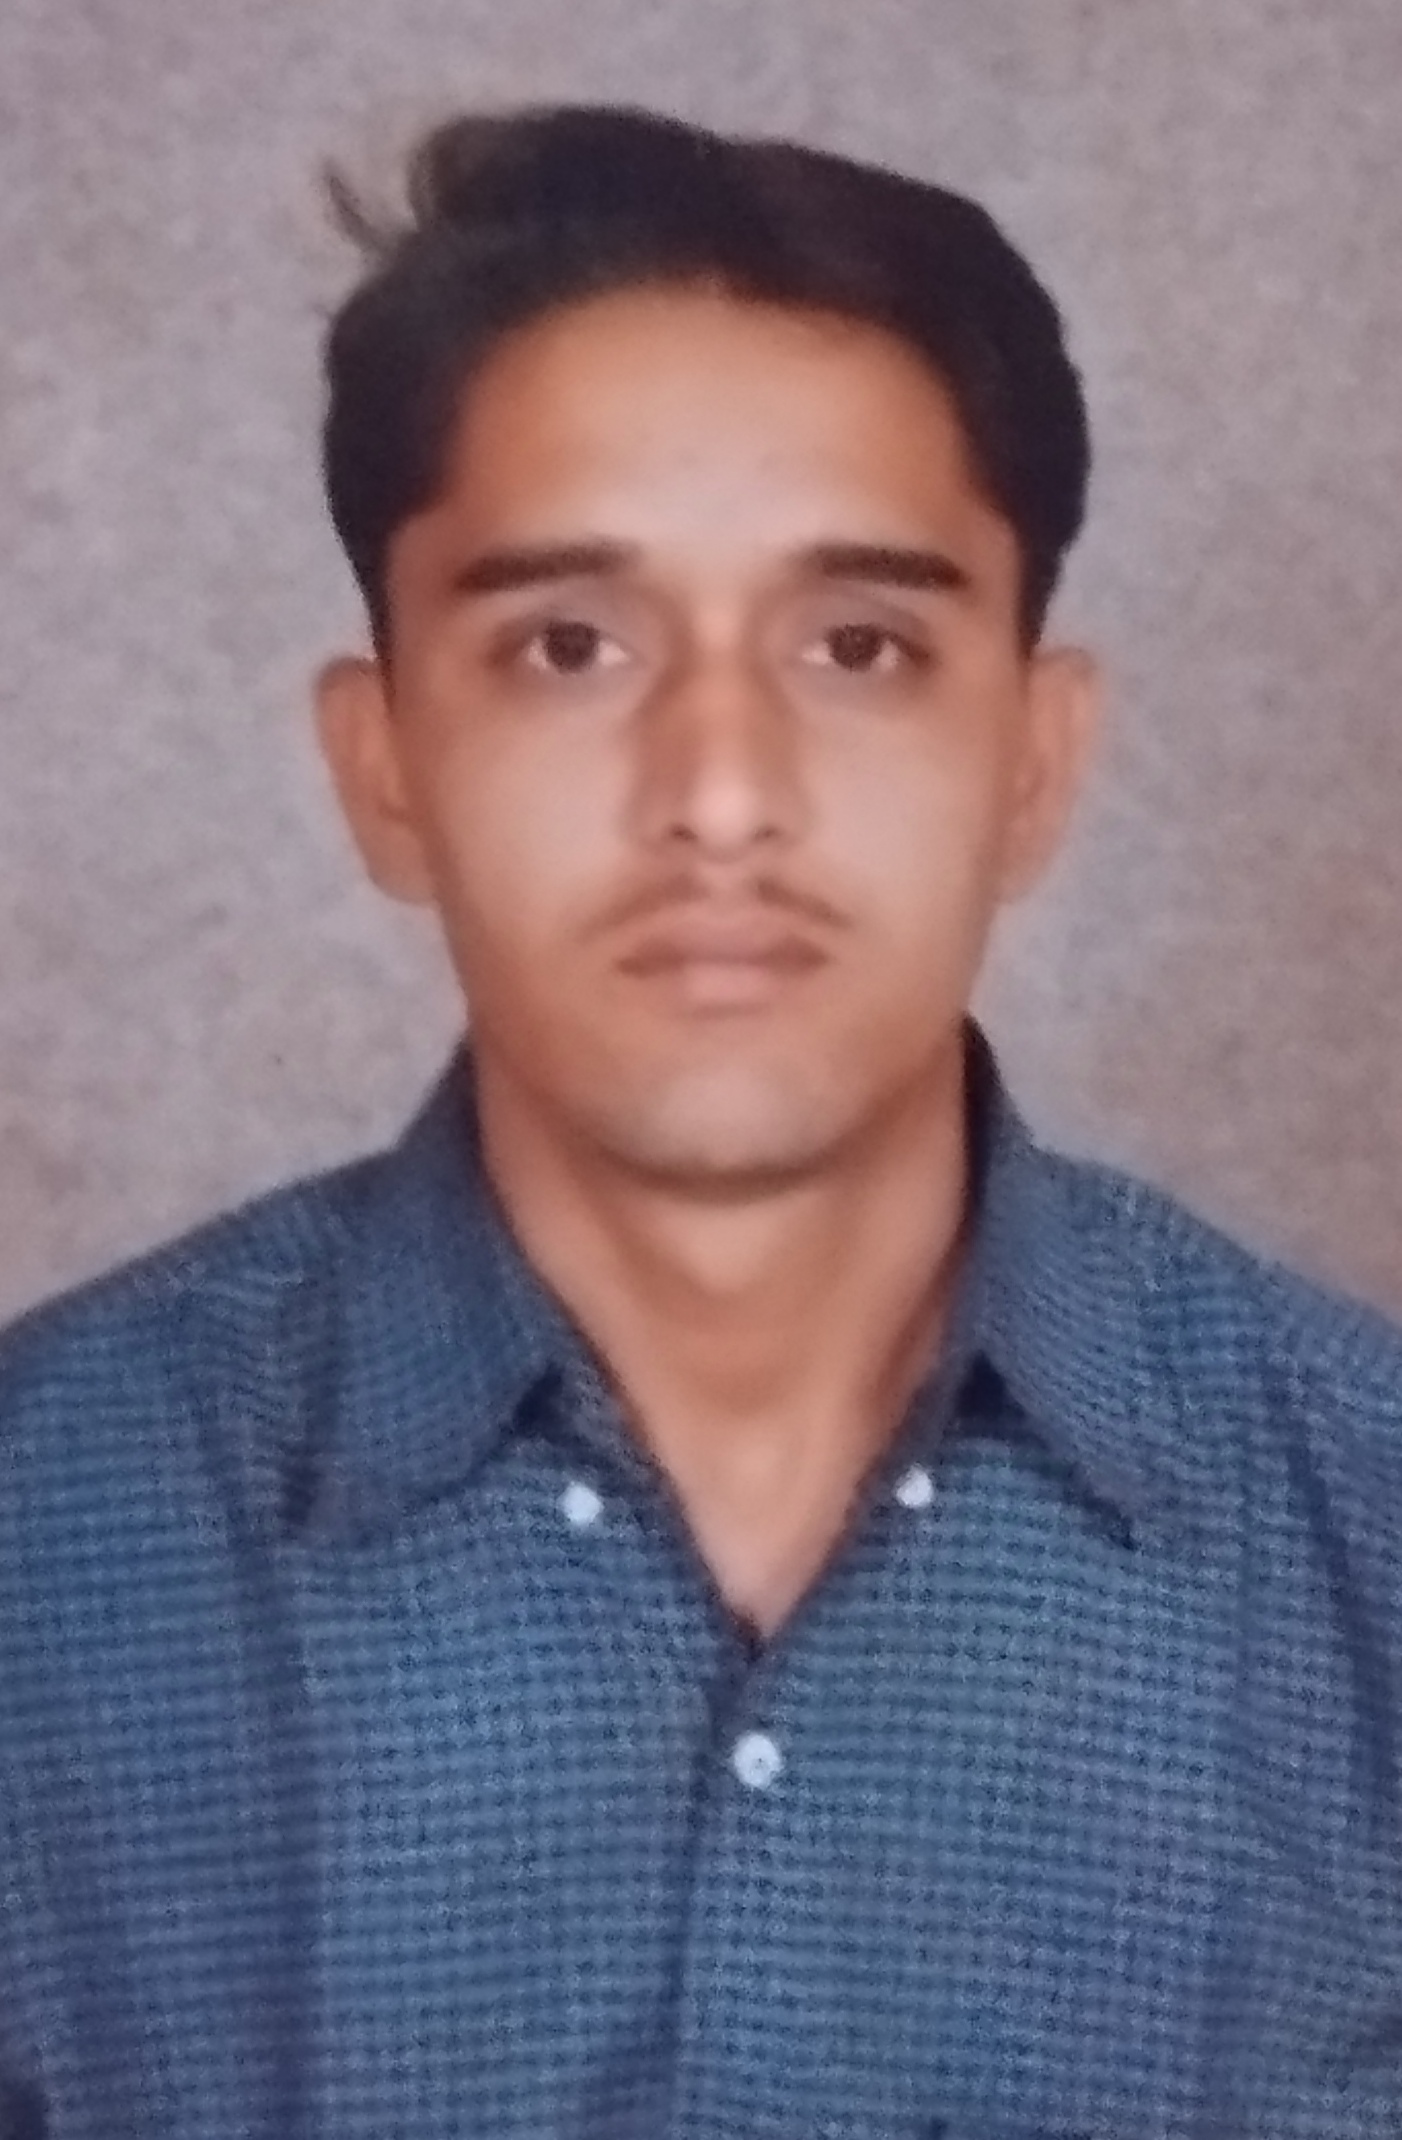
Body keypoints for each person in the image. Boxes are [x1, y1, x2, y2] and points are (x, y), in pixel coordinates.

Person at [2, 100, 1401, 2140]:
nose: (722, 792)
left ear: (1032, 761)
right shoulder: (40, 1549)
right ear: (384, 768)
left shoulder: (1364, 1531)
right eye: (567, 645)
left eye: (859, 645)